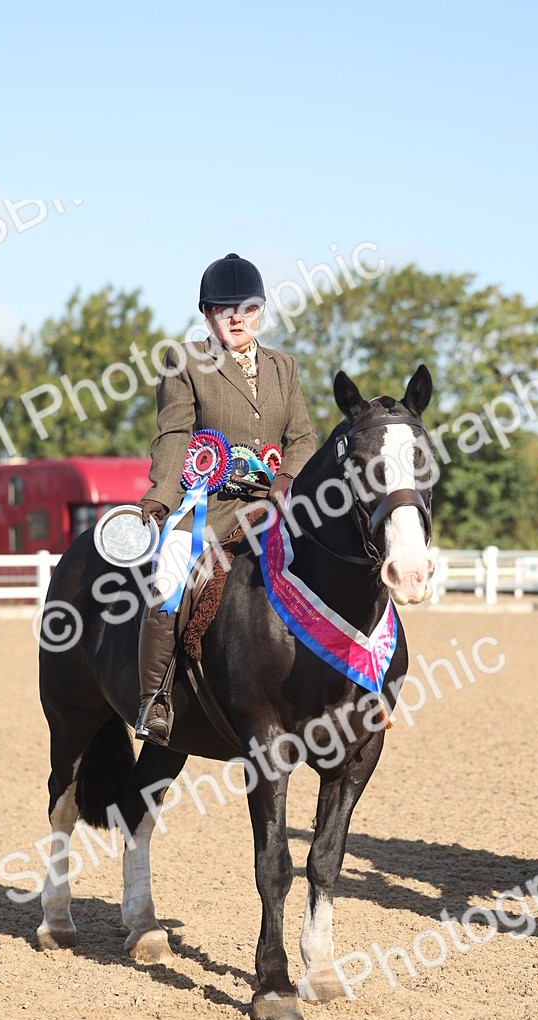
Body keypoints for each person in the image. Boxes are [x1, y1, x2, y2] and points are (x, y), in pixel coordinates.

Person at [135, 252, 317, 745]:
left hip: (276, 503)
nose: (237, 318)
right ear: (207, 314)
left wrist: (286, 480)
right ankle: (156, 700)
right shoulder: (186, 361)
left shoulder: (285, 367)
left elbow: (302, 437)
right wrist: (160, 495)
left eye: (248, 309)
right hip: (209, 505)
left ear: (261, 312)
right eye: (224, 309)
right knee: (170, 578)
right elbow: (175, 433)